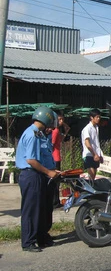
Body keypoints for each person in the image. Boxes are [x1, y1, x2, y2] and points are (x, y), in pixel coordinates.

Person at [15, 106, 60, 252]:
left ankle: (38, 237)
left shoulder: (36, 133)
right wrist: (49, 172)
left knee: (39, 209)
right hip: (31, 174)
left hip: (36, 175)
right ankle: (28, 242)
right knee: (31, 210)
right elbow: (31, 160)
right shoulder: (33, 134)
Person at [51, 112, 69, 207]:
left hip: (57, 156)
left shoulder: (56, 130)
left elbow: (60, 140)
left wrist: (66, 130)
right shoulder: (55, 131)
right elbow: (52, 144)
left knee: (56, 180)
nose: (61, 122)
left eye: (62, 120)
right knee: (55, 180)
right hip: (55, 157)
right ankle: (55, 201)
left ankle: (56, 201)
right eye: (59, 120)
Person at [81, 109, 103, 180]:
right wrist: (94, 154)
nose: (98, 119)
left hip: (96, 155)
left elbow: (96, 143)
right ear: (91, 117)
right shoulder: (87, 128)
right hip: (89, 155)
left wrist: (100, 155)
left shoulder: (96, 128)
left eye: (99, 117)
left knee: (93, 177)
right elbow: (87, 143)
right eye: (96, 117)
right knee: (91, 174)